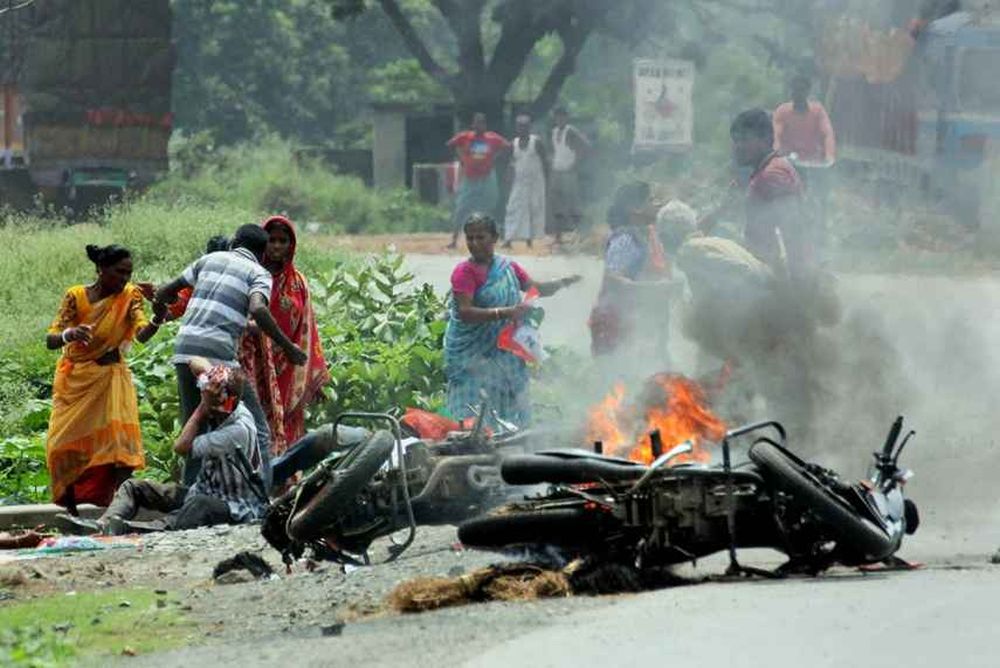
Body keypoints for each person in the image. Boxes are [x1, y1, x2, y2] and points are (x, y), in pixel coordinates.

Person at [153, 224, 307, 486]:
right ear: (262, 253)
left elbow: (166, 292)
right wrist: (288, 347)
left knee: (194, 424)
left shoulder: (209, 259)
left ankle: (189, 495)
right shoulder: (258, 272)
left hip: (184, 350)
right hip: (219, 357)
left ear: (235, 242)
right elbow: (258, 309)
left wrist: (157, 314)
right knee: (259, 429)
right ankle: (262, 493)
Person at [61, 360, 269, 534]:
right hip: (202, 491)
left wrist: (202, 408)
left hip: (233, 505)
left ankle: (134, 529)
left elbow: (181, 447)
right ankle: (104, 524)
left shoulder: (238, 430)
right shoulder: (225, 397)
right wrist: (210, 375)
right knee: (134, 487)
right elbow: (194, 361)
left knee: (198, 506)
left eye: (213, 406)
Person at [45, 244, 166, 514]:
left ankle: (120, 510)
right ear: (101, 269)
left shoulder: (129, 296)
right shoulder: (76, 296)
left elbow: (141, 333)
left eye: (128, 273)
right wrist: (70, 334)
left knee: (119, 450)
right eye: (119, 272)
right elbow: (50, 339)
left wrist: (158, 315)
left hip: (112, 381)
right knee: (61, 448)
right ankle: (73, 509)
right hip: (76, 382)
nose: (124, 279)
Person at [445, 213, 579, 428]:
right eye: (470, 238)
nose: (474, 244)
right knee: (473, 413)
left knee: (511, 402)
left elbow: (535, 288)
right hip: (472, 355)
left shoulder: (507, 268)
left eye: (481, 237)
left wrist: (564, 282)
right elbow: (465, 312)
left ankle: (513, 448)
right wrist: (506, 312)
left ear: (494, 238)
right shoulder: (464, 272)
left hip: (504, 352)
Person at [239, 216, 330, 455]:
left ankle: (286, 482)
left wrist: (312, 375)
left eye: (283, 241)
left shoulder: (298, 282)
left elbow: (307, 328)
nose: (277, 246)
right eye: (272, 240)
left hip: (289, 367)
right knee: (256, 423)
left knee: (288, 423)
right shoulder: (253, 276)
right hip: (255, 362)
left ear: (292, 244)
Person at [588, 182, 675, 360]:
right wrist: (656, 289)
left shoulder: (646, 234)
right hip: (617, 325)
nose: (658, 204)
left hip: (638, 325)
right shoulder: (625, 239)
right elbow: (614, 279)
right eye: (652, 200)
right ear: (636, 208)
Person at [722, 108, 810, 281]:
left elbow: (792, 233)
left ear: (766, 139)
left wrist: (796, 286)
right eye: (735, 140)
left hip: (770, 278)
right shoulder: (762, 173)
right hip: (764, 272)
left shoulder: (773, 175)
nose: (738, 146)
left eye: (745, 139)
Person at [773, 75, 836, 241]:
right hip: (790, 162)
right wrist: (778, 152)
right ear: (791, 92)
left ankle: (822, 232)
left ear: (807, 92)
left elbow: (827, 133)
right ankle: (780, 228)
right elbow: (776, 135)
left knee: (820, 197)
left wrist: (829, 156)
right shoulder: (783, 111)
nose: (798, 93)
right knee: (783, 194)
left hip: (813, 163)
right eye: (795, 90)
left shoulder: (817, 111)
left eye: (802, 90)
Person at [446, 112, 511, 249]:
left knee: (490, 206)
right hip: (470, 178)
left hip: (487, 177)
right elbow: (450, 144)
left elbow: (508, 146)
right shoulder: (465, 137)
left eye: (481, 123)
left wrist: (495, 157)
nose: (479, 125)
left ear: (485, 125)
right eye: (476, 122)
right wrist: (462, 157)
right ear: (473, 124)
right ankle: (454, 240)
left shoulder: (492, 138)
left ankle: (492, 239)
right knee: (462, 208)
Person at [503, 113, 549, 249]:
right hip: (519, 182)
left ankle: (529, 240)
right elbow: (510, 163)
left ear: (529, 127)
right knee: (513, 208)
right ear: (517, 128)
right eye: (520, 126)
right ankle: (509, 239)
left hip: (536, 182)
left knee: (533, 209)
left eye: (525, 126)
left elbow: (546, 163)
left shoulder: (537, 142)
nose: (522, 129)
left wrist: (548, 182)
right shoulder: (514, 144)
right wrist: (508, 179)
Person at [548, 106, 591, 246]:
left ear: (566, 118)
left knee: (573, 204)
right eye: (557, 116)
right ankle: (558, 236)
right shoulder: (554, 132)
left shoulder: (570, 131)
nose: (559, 119)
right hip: (557, 171)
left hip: (568, 172)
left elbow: (585, 146)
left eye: (562, 116)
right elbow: (556, 151)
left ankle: (581, 234)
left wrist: (575, 164)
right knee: (557, 205)